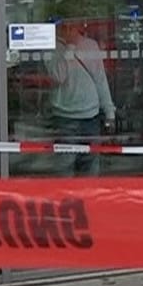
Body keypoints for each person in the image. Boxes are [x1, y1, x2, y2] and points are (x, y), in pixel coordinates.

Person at [47, 17, 114, 174]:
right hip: (65, 117)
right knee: (65, 167)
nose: (71, 27)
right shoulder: (53, 47)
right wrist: (70, 47)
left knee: (90, 167)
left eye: (74, 24)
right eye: (67, 24)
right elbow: (58, 76)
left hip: (91, 116)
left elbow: (100, 79)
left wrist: (109, 111)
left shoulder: (91, 45)